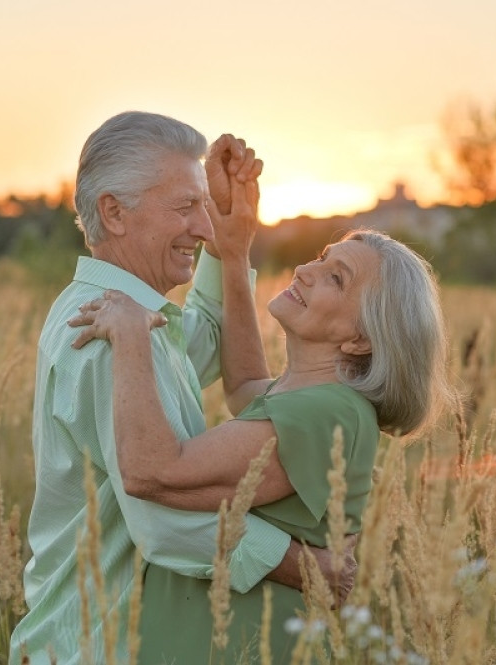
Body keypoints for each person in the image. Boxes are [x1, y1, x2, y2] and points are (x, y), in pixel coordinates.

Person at [69, 143, 456, 662]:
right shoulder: (315, 401)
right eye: (322, 259)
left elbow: (149, 472)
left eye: (335, 279)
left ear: (361, 339)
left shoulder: (327, 414)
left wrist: (133, 335)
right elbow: (247, 382)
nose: (304, 271)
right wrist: (233, 249)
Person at [9, 111, 352, 664]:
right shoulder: (101, 335)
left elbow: (210, 337)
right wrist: (306, 567)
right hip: (97, 645)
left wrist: (231, 241)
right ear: (114, 213)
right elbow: (163, 522)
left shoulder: (130, 319)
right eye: (185, 207)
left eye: (204, 208)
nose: (204, 226)